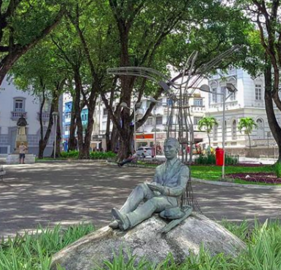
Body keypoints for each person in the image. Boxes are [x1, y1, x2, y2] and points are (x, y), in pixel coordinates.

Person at [110, 137, 189, 231]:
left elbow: (180, 189)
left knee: (155, 201)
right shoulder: (159, 168)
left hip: (171, 201)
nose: (166, 150)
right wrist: (151, 185)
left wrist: (163, 189)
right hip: (158, 195)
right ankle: (121, 216)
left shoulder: (183, 168)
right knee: (141, 187)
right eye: (165, 147)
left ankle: (128, 221)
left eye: (169, 147)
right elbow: (155, 185)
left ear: (177, 149)